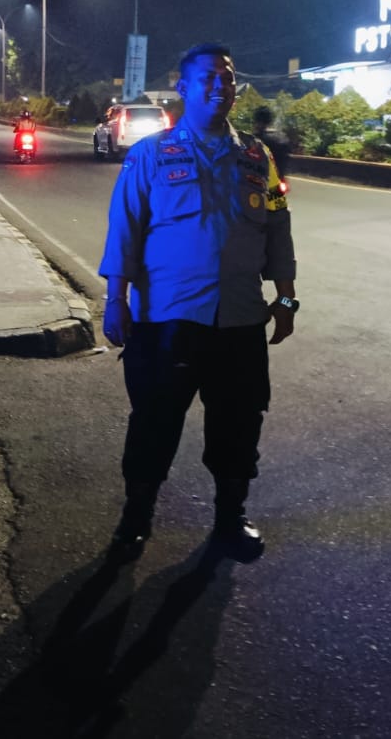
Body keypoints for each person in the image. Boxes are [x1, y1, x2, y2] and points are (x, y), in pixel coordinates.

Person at [98, 42, 297, 561]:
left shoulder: (257, 156)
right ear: (183, 88)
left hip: (241, 319)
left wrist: (286, 298)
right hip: (168, 318)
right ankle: (136, 516)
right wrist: (115, 298)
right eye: (208, 77)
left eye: (227, 77)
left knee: (239, 423)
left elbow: (278, 228)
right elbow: (125, 229)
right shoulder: (151, 154)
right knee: (154, 421)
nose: (219, 86)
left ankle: (231, 518)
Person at [251, 105, 292, 178]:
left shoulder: (256, 139)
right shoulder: (283, 137)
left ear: (257, 121)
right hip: (279, 177)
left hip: (262, 179)